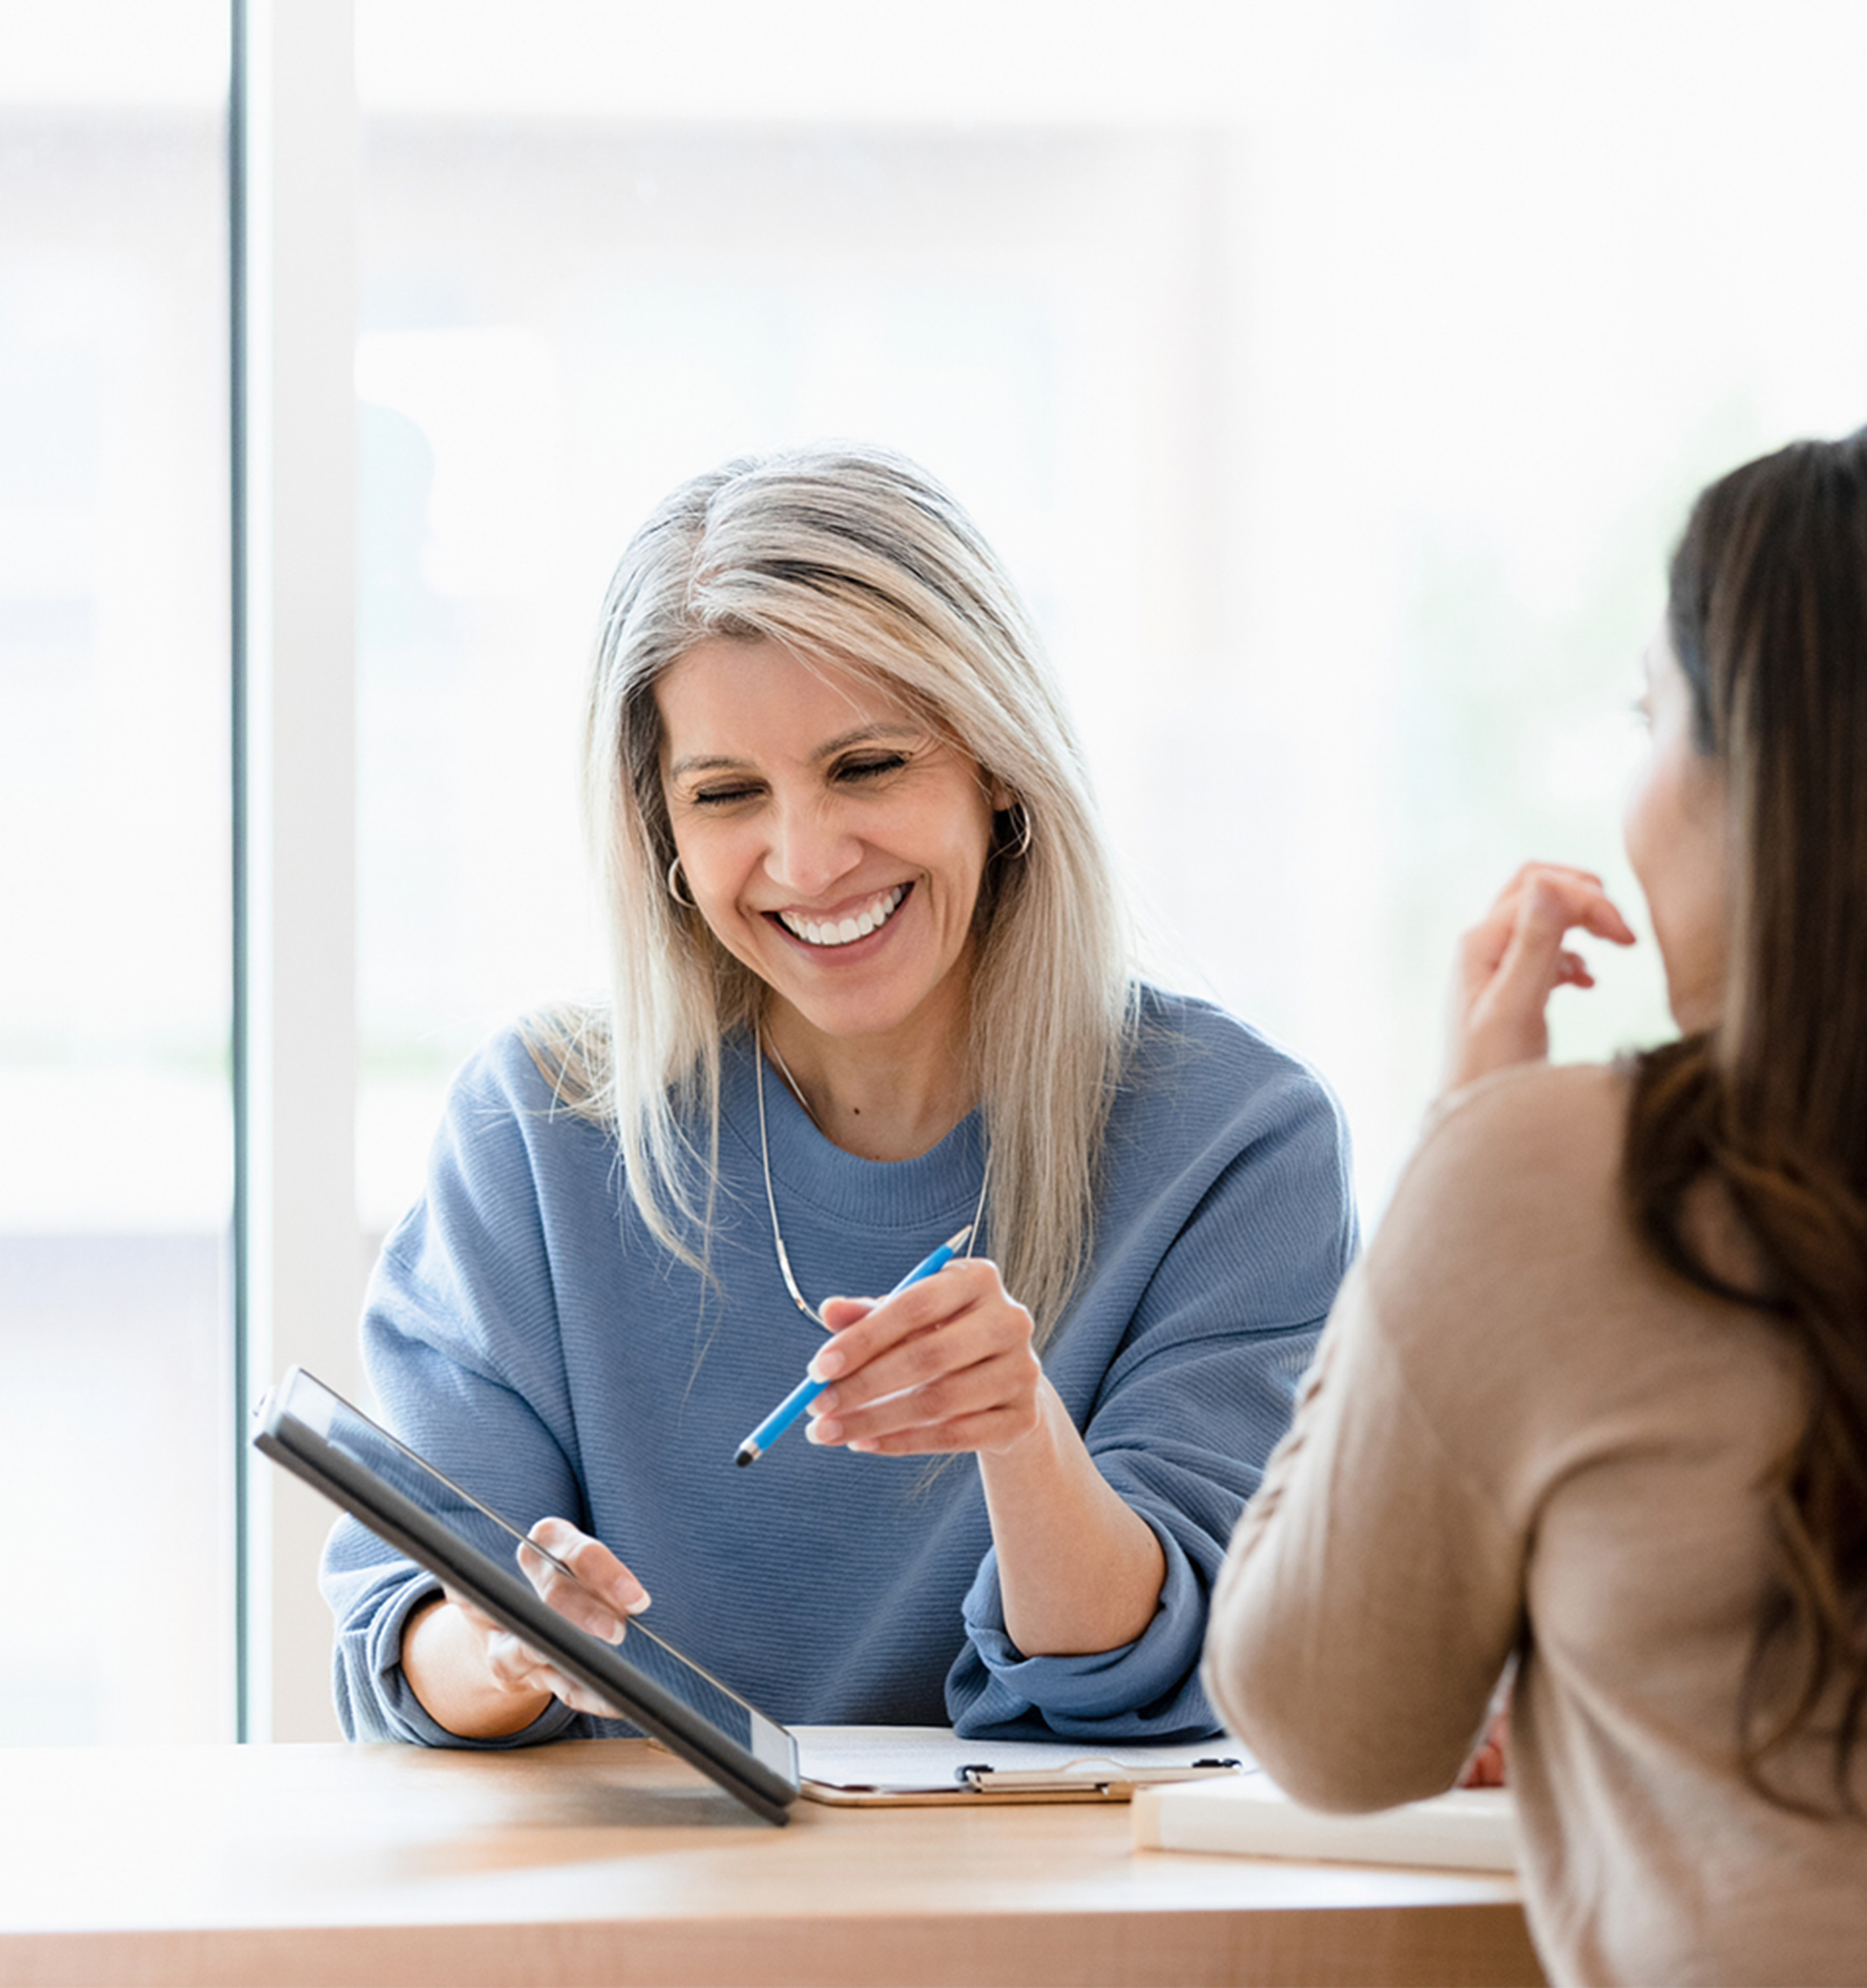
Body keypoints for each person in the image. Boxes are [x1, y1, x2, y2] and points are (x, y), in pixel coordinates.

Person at [1206, 420, 1867, 1983]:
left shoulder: (1553, 1177)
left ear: (1780, 780)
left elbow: (1328, 1727)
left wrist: (1461, 1138)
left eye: (1649, 713)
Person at [325, 443, 1354, 1746]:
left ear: (995, 766)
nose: (807, 860)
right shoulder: (534, 1129)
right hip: (629, 1928)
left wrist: (1022, 1434)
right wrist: (505, 1638)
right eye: (727, 795)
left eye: (868, 768)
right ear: (662, 836)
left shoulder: (1236, 1146)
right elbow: (403, 1637)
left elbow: (1159, 1674)